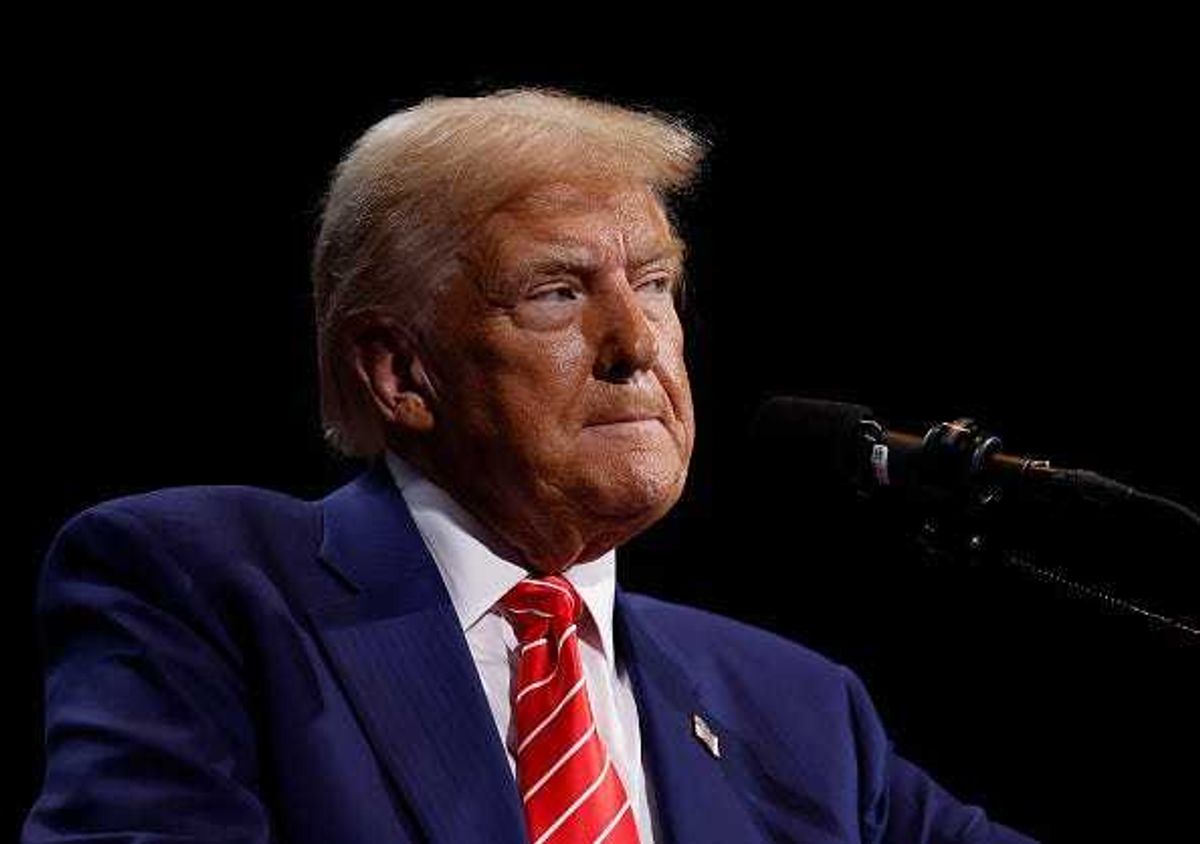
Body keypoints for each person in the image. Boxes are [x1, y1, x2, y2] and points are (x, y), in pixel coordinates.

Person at [23, 88, 1037, 843]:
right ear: (400, 370)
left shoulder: (799, 709)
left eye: (654, 283)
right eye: (556, 292)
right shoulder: (206, 588)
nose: (636, 341)